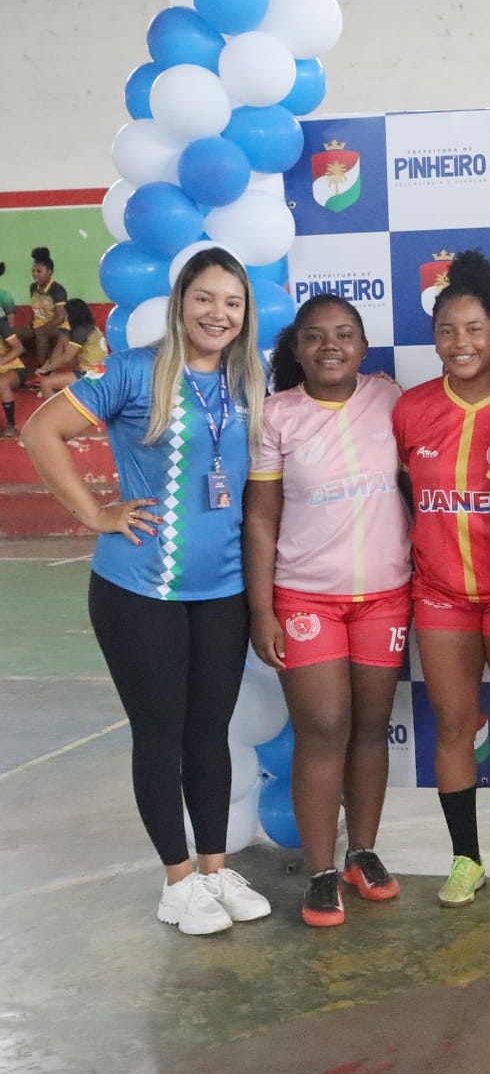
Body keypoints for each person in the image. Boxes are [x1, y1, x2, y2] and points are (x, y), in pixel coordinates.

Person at [21, 247, 272, 935]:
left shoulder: (250, 378)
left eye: (232, 302)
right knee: (160, 735)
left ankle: (214, 871)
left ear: (245, 313)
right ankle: (178, 882)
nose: (218, 313)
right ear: (180, 301)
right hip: (139, 591)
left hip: (222, 591)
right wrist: (94, 513)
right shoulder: (133, 370)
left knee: (210, 733)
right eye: (205, 298)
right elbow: (41, 430)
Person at [244, 295, 412, 928]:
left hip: (385, 596)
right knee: (322, 726)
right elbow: (261, 520)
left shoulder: (389, 399)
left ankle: (361, 853)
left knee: (370, 726)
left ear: (363, 347)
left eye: (344, 334)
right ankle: (320, 872)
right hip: (306, 597)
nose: (330, 346)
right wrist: (262, 611)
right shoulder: (276, 416)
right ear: (297, 348)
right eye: (315, 336)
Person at [391, 250, 490, 908]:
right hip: (441, 595)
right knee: (454, 722)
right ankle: (464, 858)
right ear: (434, 338)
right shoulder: (411, 409)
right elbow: (403, 492)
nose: (461, 343)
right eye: (447, 330)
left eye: (475, 329)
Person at [35, 298, 110, 399]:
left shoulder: (80, 330)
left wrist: (45, 369)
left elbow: (66, 357)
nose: (65, 318)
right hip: (100, 371)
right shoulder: (90, 328)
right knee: (63, 338)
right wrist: (48, 367)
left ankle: (60, 408)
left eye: (66, 314)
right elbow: (62, 352)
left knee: (45, 383)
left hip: (93, 375)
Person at [25, 246, 68, 373]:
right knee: (12, 334)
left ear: (49, 272)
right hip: (38, 326)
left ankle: (43, 370)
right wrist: (29, 325)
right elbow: (35, 310)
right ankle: (17, 368)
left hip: (58, 328)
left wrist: (41, 329)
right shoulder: (33, 288)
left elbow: (60, 318)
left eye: (39, 271)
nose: (35, 274)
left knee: (40, 334)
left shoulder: (57, 290)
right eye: (33, 271)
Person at [0, 314, 24, 438]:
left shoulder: (1, 324)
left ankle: (11, 426)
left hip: (12, 368)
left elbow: (19, 348)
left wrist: (2, 361)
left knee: (2, 383)